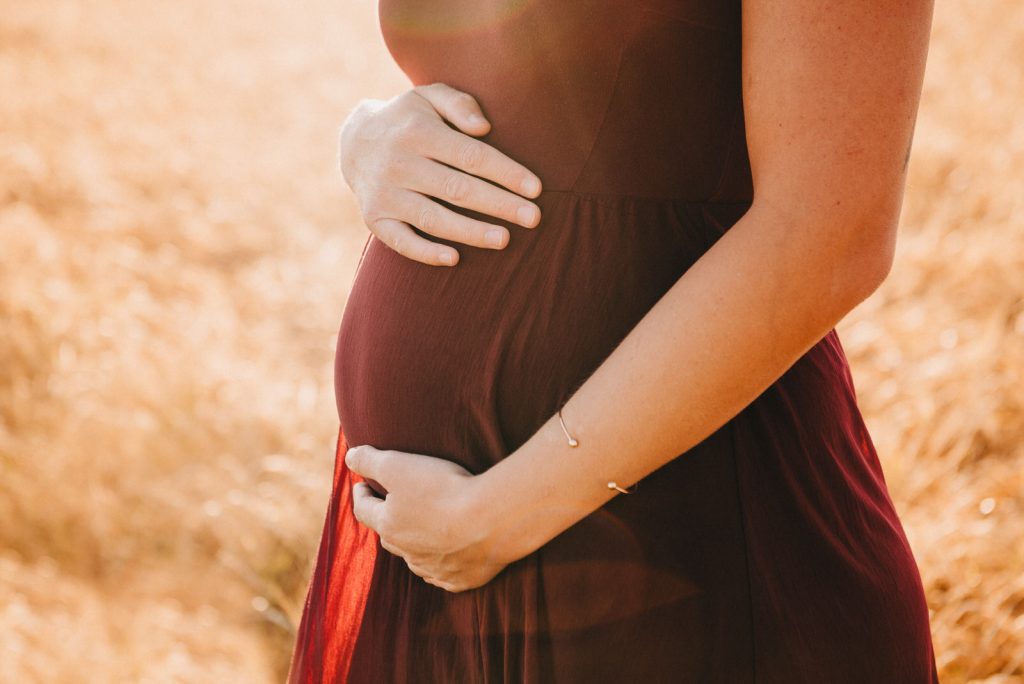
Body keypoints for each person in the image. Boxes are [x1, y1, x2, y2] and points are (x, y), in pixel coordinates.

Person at [288, 0, 939, 681]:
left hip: (673, 547)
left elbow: (831, 235)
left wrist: (503, 513)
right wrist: (364, 134)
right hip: (438, 549)